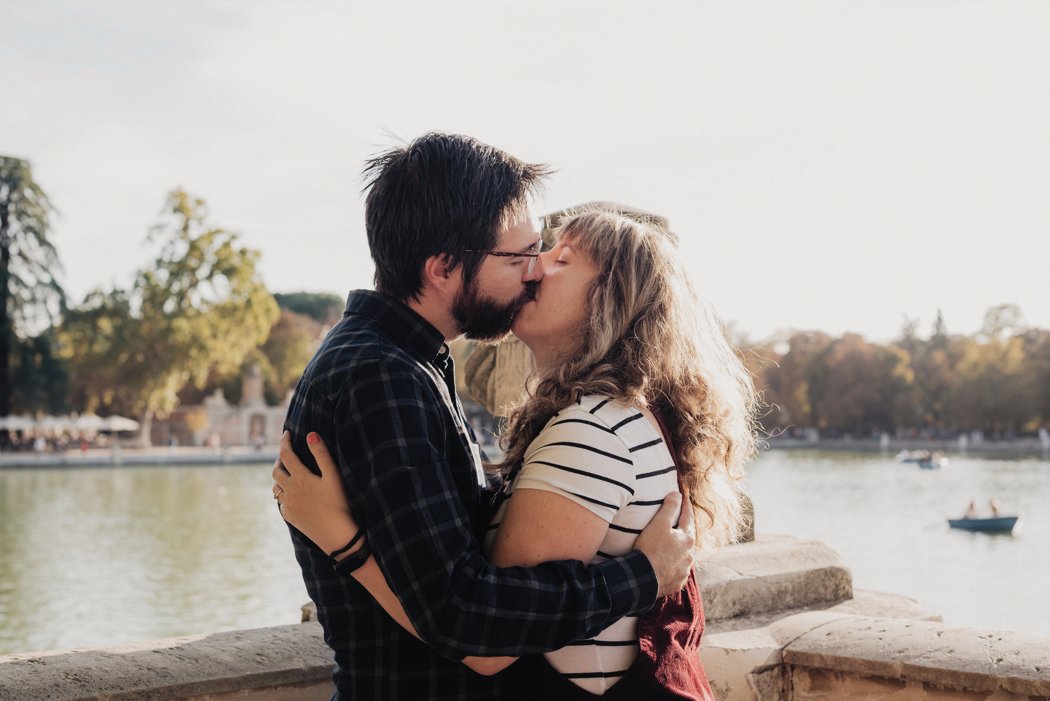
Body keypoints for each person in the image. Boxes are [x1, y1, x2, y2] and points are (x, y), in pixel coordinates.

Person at [272, 133, 697, 700]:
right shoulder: (383, 375)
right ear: (444, 267)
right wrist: (642, 577)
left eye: (542, 251)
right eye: (519, 255)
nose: (533, 271)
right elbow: (463, 611)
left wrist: (349, 545)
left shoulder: (410, 359)